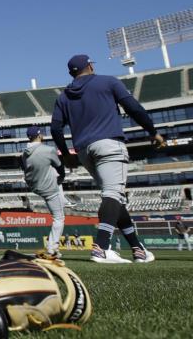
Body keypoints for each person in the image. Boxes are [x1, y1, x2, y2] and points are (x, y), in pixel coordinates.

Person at [50, 54, 165, 264]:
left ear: (71, 73)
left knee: (115, 198)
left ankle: (138, 249)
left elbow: (55, 128)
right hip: (110, 144)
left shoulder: (63, 96)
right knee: (113, 193)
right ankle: (101, 248)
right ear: (90, 66)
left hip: (84, 150)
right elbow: (133, 108)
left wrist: (66, 154)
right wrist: (152, 131)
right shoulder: (108, 81)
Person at [20, 126, 68, 260]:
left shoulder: (24, 153)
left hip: (35, 185)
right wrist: (62, 177)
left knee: (51, 171)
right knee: (59, 218)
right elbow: (60, 166)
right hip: (49, 188)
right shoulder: (48, 150)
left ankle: (63, 199)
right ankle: (52, 248)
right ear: (39, 135)